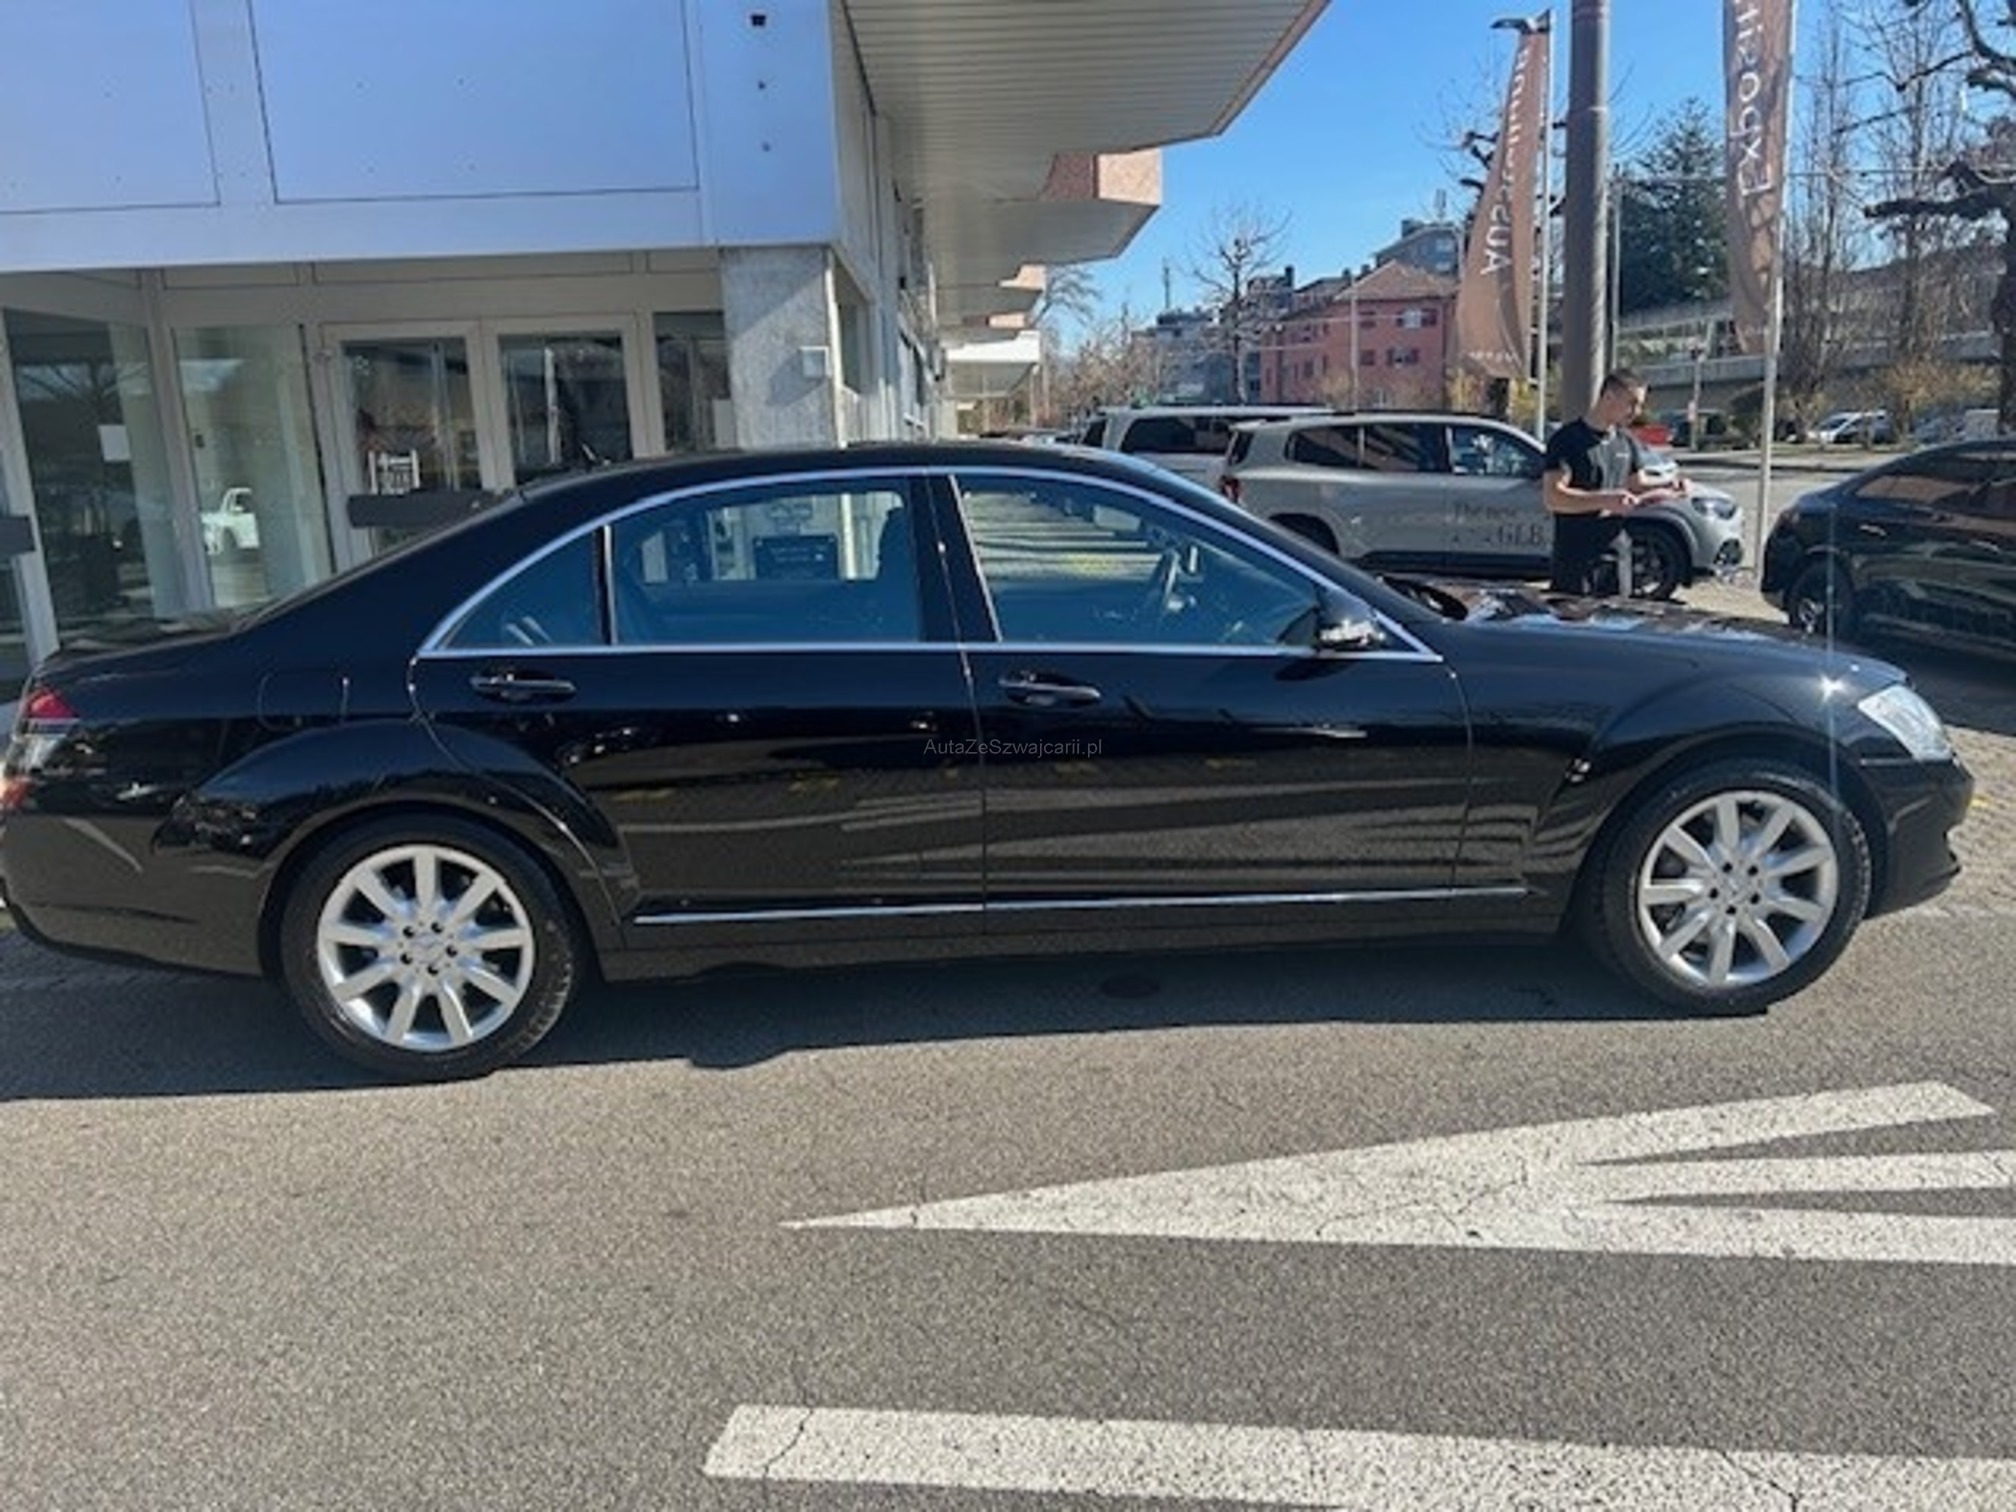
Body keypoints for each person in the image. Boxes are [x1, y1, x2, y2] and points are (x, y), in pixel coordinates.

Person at [1541, 368, 1684, 596]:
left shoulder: (1626, 441)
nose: (1636, 412)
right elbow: (1554, 497)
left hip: (1617, 556)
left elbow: (1636, 484)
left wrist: (1669, 485)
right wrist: (1605, 500)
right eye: (1632, 403)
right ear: (1609, 396)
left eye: (1640, 405)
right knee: (1574, 618)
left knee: (1618, 617)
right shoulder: (1567, 439)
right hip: (1575, 560)